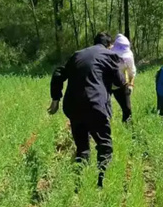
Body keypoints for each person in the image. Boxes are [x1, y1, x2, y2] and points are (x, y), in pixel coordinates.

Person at [49, 32, 127, 187]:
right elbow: (119, 82)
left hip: (73, 105)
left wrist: (55, 99)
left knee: (82, 147)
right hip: (95, 105)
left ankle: (79, 184)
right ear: (109, 45)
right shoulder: (110, 55)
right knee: (104, 145)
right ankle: (101, 183)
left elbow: (58, 73)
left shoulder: (78, 55)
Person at [110, 33, 136, 123]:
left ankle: (128, 128)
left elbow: (131, 71)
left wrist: (131, 85)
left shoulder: (129, 56)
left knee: (127, 109)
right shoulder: (107, 52)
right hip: (106, 83)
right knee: (103, 108)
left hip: (121, 83)